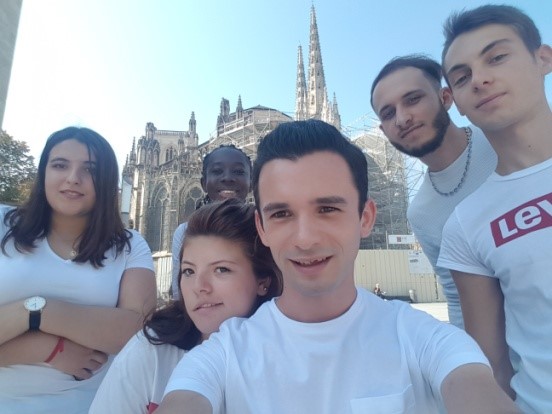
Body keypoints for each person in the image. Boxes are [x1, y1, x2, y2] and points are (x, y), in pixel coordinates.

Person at [156, 119, 519, 414]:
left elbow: (474, 390)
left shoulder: (427, 340)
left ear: (365, 218)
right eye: (281, 214)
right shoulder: (221, 356)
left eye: (327, 209)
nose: (305, 239)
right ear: (261, 227)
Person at [437, 5, 552, 413]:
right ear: (456, 102)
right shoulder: (466, 225)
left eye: (497, 57)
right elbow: (492, 371)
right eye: (462, 77)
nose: (480, 79)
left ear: (543, 59)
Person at [0, 127, 156, 413]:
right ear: (43, 172)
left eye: (90, 170)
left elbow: (135, 330)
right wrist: (45, 346)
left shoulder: (129, 245)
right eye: (60, 165)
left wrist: (43, 312)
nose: (73, 178)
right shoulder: (3, 224)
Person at [89, 198, 282, 413]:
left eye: (221, 270)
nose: (199, 287)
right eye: (189, 271)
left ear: (262, 281)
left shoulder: (289, 359)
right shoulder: (153, 350)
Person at [370, 55, 497, 328]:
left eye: (413, 99)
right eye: (388, 113)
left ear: (446, 98)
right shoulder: (420, 213)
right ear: (384, 131)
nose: (403, 118)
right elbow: (459, 299)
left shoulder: (503, 138)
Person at [170, 145, 252, 298]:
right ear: (203, 183)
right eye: (217, 171)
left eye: (238, 171)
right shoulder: (184, 232)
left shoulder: (263, 229)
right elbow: (179, 292)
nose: (227, 178)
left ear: (251, 183)